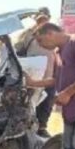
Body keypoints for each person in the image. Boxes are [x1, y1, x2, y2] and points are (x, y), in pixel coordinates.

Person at [15, 7, 56, 137]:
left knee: (47, 101)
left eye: (45, 17)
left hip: (49, 76)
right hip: (32, 75)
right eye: (40, 18)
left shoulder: (56, 33)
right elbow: (16, 50)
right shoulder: (28, 34)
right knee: (29, 102)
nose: (42, 20)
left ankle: (42, 127)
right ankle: (25, 128)